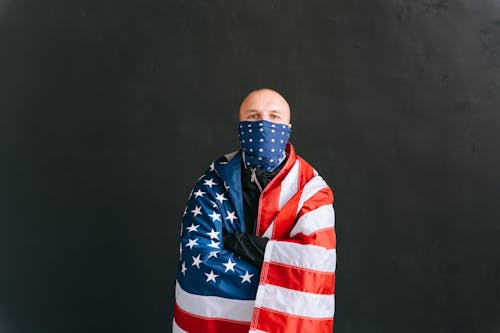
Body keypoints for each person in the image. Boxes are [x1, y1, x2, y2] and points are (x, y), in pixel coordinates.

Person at [173, 89, 336, 333]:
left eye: (274, 116)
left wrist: (239, 243)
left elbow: (313, 266)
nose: (263, 125)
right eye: (252, 117)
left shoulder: (312, 190)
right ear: (240, 126)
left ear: (288, 127)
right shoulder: (211, 184)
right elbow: (200, 260)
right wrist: (278, 266)